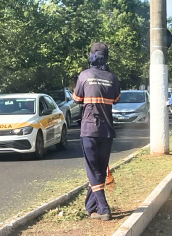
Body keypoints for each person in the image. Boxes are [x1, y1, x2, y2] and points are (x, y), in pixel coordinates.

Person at [73, 42, 121, 221]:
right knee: (99, 169)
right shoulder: (113, 78)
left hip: (89, 130)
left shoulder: (84, 75)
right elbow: (116, 99)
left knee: (93, 170)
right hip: (107, 131)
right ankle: (90, 206)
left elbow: (77, 98)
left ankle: (103, 208)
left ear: (91, 57)